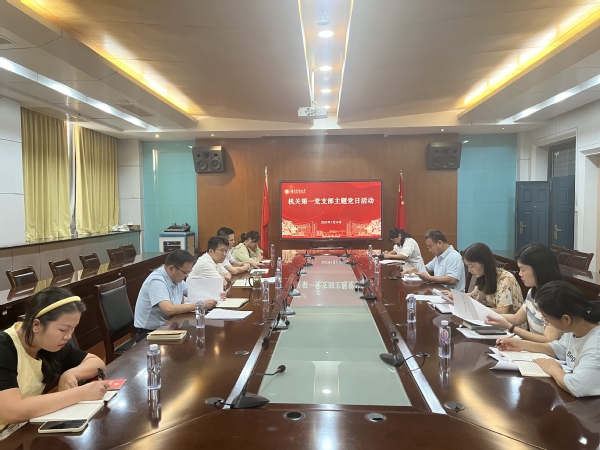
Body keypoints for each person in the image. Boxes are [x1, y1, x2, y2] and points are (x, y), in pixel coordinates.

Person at [0, 287, 110, 439]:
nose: (68, 336)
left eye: (72, 329)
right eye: (63, 330)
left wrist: (71, 373)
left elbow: (96, 362)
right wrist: (81, 393)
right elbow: (13, 411)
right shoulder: (4, 347)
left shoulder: (48, 344)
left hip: (22, 430)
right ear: (36, 325)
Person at [496, 281, 600, 398]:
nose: (546, 322)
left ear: (566, 319)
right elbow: (560, 348)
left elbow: (577, 387)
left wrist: (553, 369)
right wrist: (521, 344)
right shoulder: (577, 327)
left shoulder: (595, 347)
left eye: (547, 319)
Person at [134, 250, 218, 341]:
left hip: (168, 327)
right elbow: (168, 310)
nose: (186, 276)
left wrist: (216, 295)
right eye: (185, 273)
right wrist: (200, 304)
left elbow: (195, 294)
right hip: (149, 333)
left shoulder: (177, 278)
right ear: (171, 269)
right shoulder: (157, 281)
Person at [485, 243, 562, 343]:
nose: (520, 274)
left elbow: (549, 340)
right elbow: (517, 318)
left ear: (539, 269)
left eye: (523, 270)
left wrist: (510, 327)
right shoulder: (533, 291)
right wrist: (485, 315)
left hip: (544, 351)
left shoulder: (554, 299)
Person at [461, 242, 523, 314]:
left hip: (508, 320)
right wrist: (456, 297)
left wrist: (476, 309)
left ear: (484, 262)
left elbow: (502, 311)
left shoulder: (505, 279)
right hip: (491, 318)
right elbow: (473, 295)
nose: (469, 270)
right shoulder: (484, 276)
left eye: (471, 266)